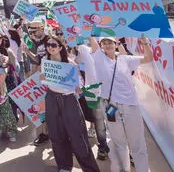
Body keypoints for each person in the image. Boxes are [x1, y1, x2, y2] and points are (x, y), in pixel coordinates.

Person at [88, 36, 152, 172]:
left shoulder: (126, 59)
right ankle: (124, 169)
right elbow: (91, 35)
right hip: (111, 107)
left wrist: (145, 42)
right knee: (119, 144)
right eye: (103, 43)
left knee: (138, 144)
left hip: (131, 106)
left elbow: (148, 58)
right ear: (100, 46)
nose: (107, 45)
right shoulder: (98, 58)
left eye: (110, 42)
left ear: (116, 43)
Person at [41, 35, 101, 172]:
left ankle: (90, 168)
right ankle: (64, 166)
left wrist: (79, 86)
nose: (50, 47)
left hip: (69, 99)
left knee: (78, 135)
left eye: (54, 45)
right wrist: (42, 78)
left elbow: (79, 80)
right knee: (56, 134)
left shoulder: (69, 62)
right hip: (52, 98)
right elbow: (43, 79)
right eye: (48, 45)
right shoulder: (45, 60)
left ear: (60, 48)